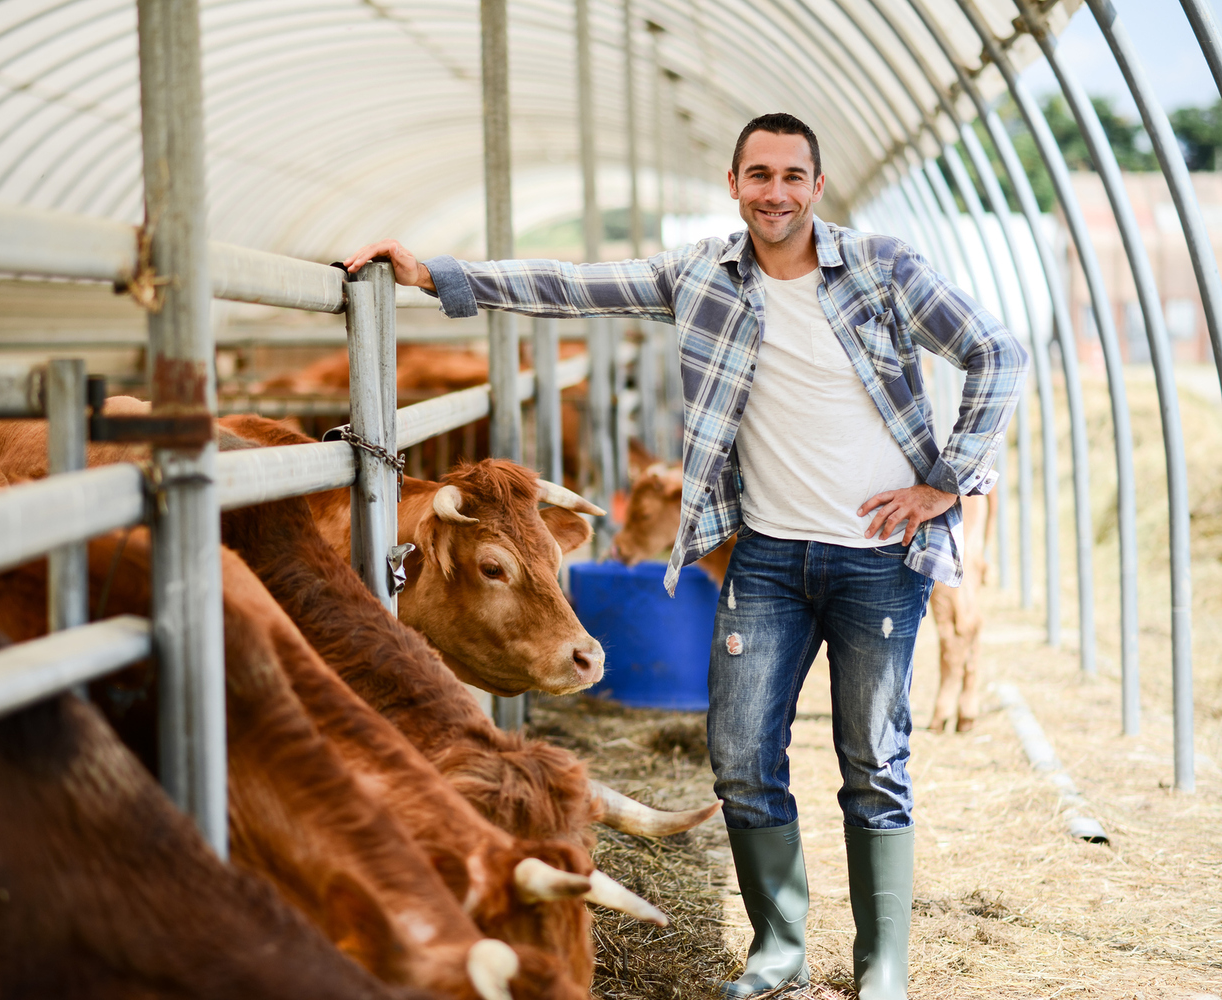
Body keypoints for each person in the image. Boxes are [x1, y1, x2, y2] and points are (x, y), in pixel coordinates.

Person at [344, 112, 1027, 1000]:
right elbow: (574, 283)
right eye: (758, 176)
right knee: (742, 758)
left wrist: (946, 482)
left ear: (816, 187)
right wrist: (439, 273)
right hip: (769, 558)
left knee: (875, 762)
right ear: (736, 186)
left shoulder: (884, 268)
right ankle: (779, 947)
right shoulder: (702, 273)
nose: (774, 192)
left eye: (791, 175)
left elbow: (996, 353)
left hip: (877, 557)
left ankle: (881, 963)